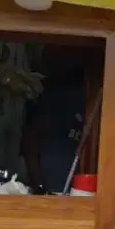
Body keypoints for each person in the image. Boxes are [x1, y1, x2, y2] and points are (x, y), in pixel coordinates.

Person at [21, 50, 86, 194]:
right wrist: (38, 183)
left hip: (81, 190)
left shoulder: (92, 98)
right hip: (53, 187)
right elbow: (32, 139)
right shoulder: (58, 98)